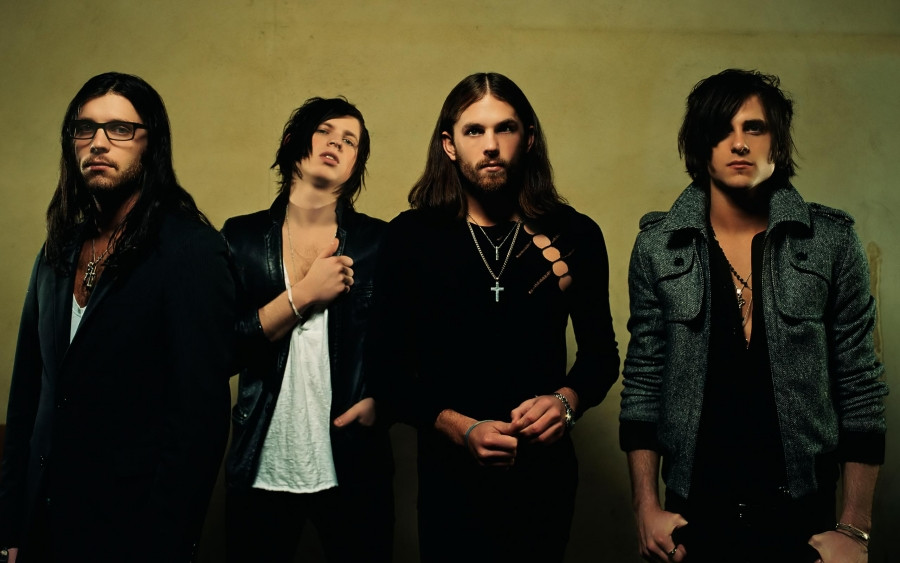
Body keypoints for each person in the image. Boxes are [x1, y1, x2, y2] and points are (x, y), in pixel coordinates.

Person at [619, 69, 888, 563]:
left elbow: (860, 385)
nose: (739, 143)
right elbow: (643, 380)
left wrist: (855, 528)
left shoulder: (831, 242)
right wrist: (645, 507)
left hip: (803, 514)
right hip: (692, 514)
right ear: (699, 145)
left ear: (777, 143)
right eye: (722, 129)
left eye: (754, 128)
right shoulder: (658, 247)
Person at [369, 72, 620, 562]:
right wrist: (459, 427)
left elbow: (600, 356)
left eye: (505, 128)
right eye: (474, 130)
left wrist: (566, 401)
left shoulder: (575, 235)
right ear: (449, 144)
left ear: (529, 138)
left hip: (545, 480)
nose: (490, 145)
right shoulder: (410, 237)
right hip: (449, 480)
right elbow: (386, 370)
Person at [0, 72, 235, 562]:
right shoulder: (58, 250)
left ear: (151, 144)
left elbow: (198, 422)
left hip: (130, 532)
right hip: (42, 524)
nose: (99, 143)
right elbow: (28, 396)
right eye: (85, 129)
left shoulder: (190, 250)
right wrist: (12, 527)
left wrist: (163, 543)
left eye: (120, 129)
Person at [222, 97, 393, 563]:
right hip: (261, 464)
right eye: (324, 131)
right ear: (291, 142)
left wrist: (384, 401)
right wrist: (301, 296)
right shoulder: (239, 238)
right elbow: (220, 351)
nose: (336, 142)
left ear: (356, 164)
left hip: (353, 465)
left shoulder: (380, 243)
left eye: (350, 140)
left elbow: (411, 342)